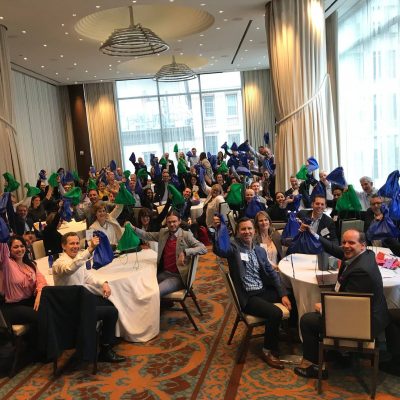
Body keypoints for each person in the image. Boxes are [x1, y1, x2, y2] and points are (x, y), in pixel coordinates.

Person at [294, 229, 389, 379]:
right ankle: (338, 352)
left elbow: (349, 310)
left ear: (362, 245)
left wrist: (324, 308)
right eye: (343, 242)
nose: (345, 246)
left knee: (307, 320)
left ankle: (316, 367)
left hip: (364, 325)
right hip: (372, 313)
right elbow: (338, 250)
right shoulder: (367, 255)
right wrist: (315, 235)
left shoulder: (361, 272)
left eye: (351, 242)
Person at [213, 216, 291, 369]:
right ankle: (267, 350)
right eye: (243, 229)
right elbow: (221, 249)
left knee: (291, 296)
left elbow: (272, 273)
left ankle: (279, 331)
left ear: (254, 231)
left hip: (261, 290)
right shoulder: (234, 247)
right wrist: (218, 229)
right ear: (237, 232)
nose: (247, 232)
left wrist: (283, 294)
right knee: (275, 313)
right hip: (248, 297)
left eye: (249, 228)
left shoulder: (259, 250)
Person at [52, 232, 125, 362]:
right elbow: (70, 269)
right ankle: (105, 350)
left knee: (108, 302)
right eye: (71, 243)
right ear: (63, 246)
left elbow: (88, 277)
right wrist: (89, 249)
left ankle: (103, 342)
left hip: (81, 302)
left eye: (76, 243)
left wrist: (104, 283)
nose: (75, 246)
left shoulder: (77, 259)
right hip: (71, 309)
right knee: (111, 312)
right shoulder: (59, 263)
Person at [132, 210, 207, 296]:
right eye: (169, 222)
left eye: (174, 221)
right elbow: (146, 235)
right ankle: (163, 304)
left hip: (178, 277)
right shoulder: (163, 233)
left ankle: (156, 307)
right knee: (141, 285)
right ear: (166, 223)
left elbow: (203, 248)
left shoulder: (186, 235)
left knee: (154, 292)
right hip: (165, 273)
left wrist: (185, 252)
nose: (171, 224)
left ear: (179, 221)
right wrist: (133, 228)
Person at [0, 236, 47, 344]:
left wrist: (39, 293)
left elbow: (41, 280)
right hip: (11, 307)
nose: (20, 249)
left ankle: (45, 346)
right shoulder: (7, 264)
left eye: (22, 246)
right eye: (15, 247)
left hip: (29, 301)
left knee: (50, 308)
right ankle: (41, 351)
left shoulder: (30, 264)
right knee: (41, 316)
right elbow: (2, 252)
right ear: (9, 250)